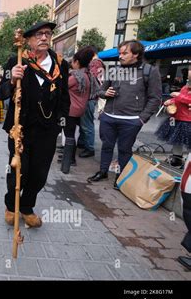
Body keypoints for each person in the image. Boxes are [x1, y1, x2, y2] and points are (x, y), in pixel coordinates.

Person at [0, 21, 70, 227]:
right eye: (39, 34)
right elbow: (0, 93)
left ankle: (27, 207)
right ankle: (11, 205)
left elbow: (65, 98)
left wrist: (61, 124)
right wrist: (12, 80)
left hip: (47, 130)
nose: (44, 38)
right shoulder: (17, 60)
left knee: (39, 173)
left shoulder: (60, 64)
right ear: (28, 40)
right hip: (20, 128)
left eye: (47, 34)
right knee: (18, 169)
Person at [87, 40, 162, 188]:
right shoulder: (114, 69)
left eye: (124, 53)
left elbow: (155, 98)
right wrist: (105, 93)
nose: (120, 56)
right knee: (106, 146)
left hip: (132, 119)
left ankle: (121, 176)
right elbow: (99, 91)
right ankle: (103, 171)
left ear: (136, 54)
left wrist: (142, 119)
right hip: (109, 116)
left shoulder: (149, 71)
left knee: (124, 149)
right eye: (119, 53)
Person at [59, 46, 95, 174]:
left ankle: (70, 159)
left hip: (71, 109)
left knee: (69, 135)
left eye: (73, 61)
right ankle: (69, 156)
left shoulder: (75, 77)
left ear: (77, 62)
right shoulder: (86, 75)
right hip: (80, 109)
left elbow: (61, 87)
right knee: (73, 134)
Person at [156, 70, 191, 167]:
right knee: (176, 140)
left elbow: (187, 99)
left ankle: (188, 162)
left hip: (188, 120)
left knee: (188, 142)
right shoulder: (185, 87)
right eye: (188, 76)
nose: (188, 79)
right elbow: (178, 100)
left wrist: (179, 96)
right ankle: (177, 159)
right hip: (178, 118)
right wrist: (170, 101)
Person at [77, 46, 104, 158]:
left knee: (87, 124)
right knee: (84, 123)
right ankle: (83, 143)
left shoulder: (95, 63)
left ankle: (89, 148)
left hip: (90, 97)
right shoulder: (97, 63)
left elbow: (89, 78)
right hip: (90, 97)